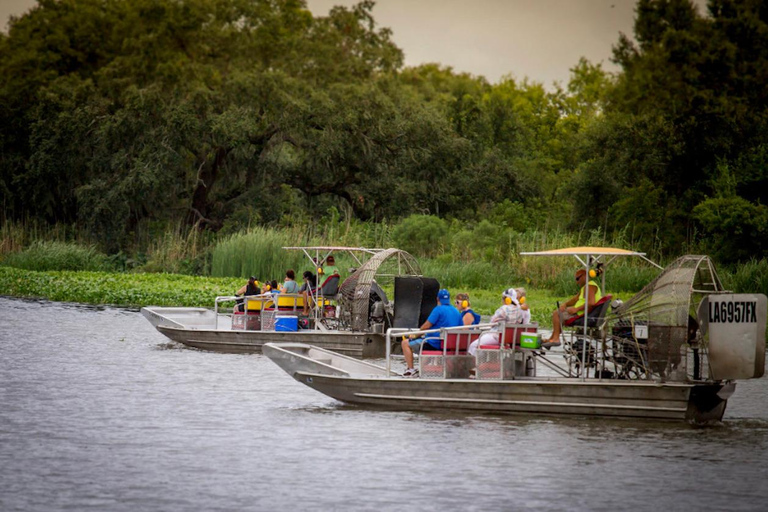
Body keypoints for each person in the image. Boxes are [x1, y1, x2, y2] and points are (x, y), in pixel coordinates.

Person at [401, 289, 462, 377]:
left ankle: (411, 369)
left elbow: (426, 326)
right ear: (449, 299)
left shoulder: (438, 310)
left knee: (405, 343)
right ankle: (423, 369)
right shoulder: (456, 311)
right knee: (423, 342)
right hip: (450, 345)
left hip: (435, 343)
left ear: (437, 299)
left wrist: (415, 335)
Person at [542, 268, 603, 349]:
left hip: (582, 314)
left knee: (556, 314)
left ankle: (556, 339)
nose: (577, 282)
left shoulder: (590, 287)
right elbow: (575, 299)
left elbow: (591, 303)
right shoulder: (586, 287)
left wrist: (576, 309)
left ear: (585, 276)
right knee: (560, 313)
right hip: (581, 312)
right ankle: (552, 339)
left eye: (578, 279)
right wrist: (565, 304)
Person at [468, 288, 526, 356]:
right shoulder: (519, 309)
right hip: (509, 339)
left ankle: (479, 363)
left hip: (496, 337)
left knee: (473, 346)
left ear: (507, 299)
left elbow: (492, 322)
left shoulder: (503, 308)